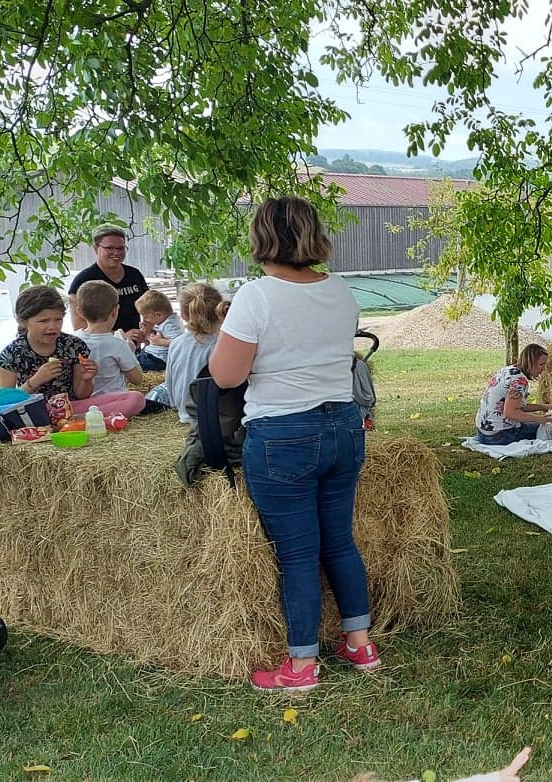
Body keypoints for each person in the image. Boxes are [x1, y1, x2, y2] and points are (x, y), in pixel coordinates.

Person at [208, 196, 378, 692]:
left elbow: (224, 375)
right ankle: (360, 643)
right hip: (342, 426)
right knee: (339, 540)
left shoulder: (256, 296)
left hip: (283, 434)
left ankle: (302, 667)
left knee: (298, 553)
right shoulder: (340, 290)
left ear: (261, 237)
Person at [0, 286, 146, 419]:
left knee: (135, 399)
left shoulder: (73, 345)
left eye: (58, 319)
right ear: (23, 321)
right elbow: (4, 403)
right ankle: (77, 420)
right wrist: (35, 381)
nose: (52, 326)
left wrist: (87, 379)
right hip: (34, 411)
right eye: (43, 321)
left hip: (72, 408)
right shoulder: (11, 353)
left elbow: (82, 395)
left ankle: (73, 420)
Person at [149, 283, 227, 420]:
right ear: (219, 310)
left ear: (184, 315)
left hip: (182, 410)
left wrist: (174, 404)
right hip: (209, 415)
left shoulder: (176, 343)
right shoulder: (220, 345)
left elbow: (170, 380)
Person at [71, 280, 147, 414]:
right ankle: (100, 415)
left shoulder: (72, 340)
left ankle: (83, 415)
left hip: (82, 402)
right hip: (112, 401)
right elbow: (137, 380)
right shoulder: (118, 344)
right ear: (115, 311)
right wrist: (131, 351)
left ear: (79, 312)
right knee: (138, 399)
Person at [67, 224, 148, 333]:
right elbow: (79, 327)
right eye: (110, 248)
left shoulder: (134, 275)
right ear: (96, 249)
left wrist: (148, 331)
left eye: (121, 248)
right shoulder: (83, 280)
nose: (116, 252)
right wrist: (119, 337)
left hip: (134, 347)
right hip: (99, 347)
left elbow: (150, 309)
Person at [475, 344, 552, 445]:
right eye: (541, 364)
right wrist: (539, 419)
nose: (544, 369)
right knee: (549, 428)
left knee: (532, 422)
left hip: (483, 434)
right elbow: (510, 413)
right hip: (498, 436)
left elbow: (513, 406)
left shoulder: (508, 371)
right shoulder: (519, 381)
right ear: (531, 362)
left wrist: (542, 407)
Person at [129, 289, 184, 371]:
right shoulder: (163, 321)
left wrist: (160, 341)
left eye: (146, 317)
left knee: (132, 365)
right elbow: (156, 337)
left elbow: (179, 342)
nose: (143, 320)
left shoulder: (170, 325)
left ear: (158, 315)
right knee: (133, 360)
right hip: (153, 354)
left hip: (159, 359)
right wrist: (148, 330)